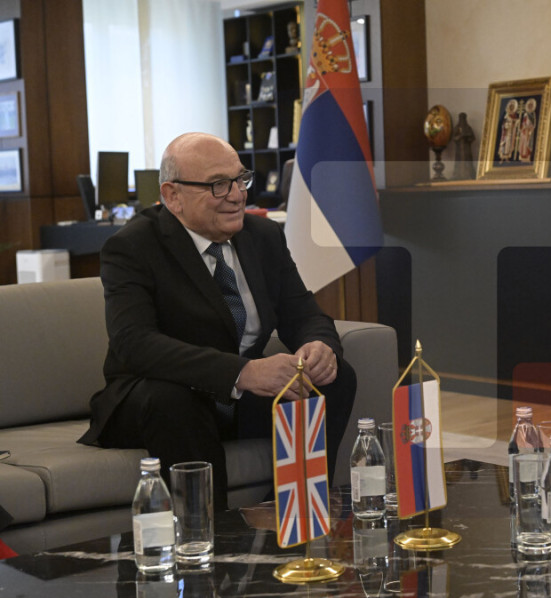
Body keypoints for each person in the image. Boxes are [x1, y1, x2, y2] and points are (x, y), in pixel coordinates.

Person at [79, 132, 356, 510]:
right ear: (173, 196)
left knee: (331, 378)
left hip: (236, 402)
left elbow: (304, 313)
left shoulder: (264, 236)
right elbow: (134, 343)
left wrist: (319, 345)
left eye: (241, 179)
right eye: (218, 185)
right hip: (160, 397)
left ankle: (289, 513)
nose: (238, 195)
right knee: (174, 399)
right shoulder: (133, 246)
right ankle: (209, 534)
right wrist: (242, 372)